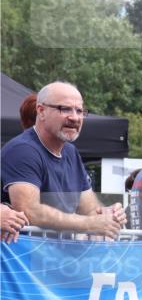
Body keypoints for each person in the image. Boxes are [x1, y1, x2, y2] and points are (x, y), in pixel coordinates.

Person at [1, 81, 125, 238]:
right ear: (41, 111)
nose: (75, 117)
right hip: (26, 253)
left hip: (57, 253)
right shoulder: (22, 150)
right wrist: (90, 224)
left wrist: (107, 213)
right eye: (65, 109)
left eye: (79, 111)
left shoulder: (71, 152)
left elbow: (89, 209)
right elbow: (30, 211)